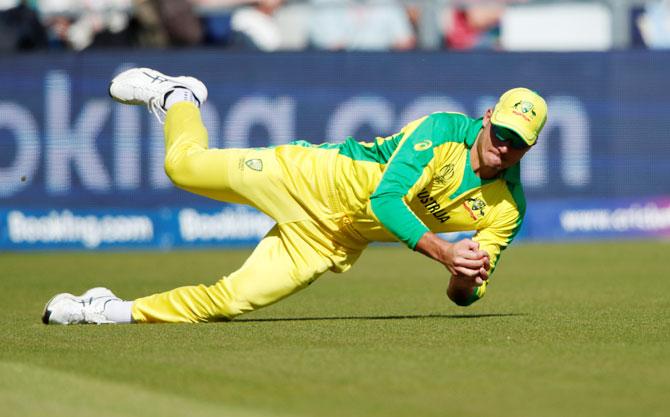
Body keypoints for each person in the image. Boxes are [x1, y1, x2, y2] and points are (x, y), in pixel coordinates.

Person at [41, 67, 548, 325]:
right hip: (307, 176)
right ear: (486, 117)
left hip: (330, 241)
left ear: (531, 147)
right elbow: (387, 202)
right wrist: (443, 251)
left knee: (231, 301)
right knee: (182, 166)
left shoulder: (510, 208)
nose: (503, 148)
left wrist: (463, 276)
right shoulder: (441, 130)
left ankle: (105, 310)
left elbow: (468, 293)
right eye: (500, 132)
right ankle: (178, 97)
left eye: (518, 143)